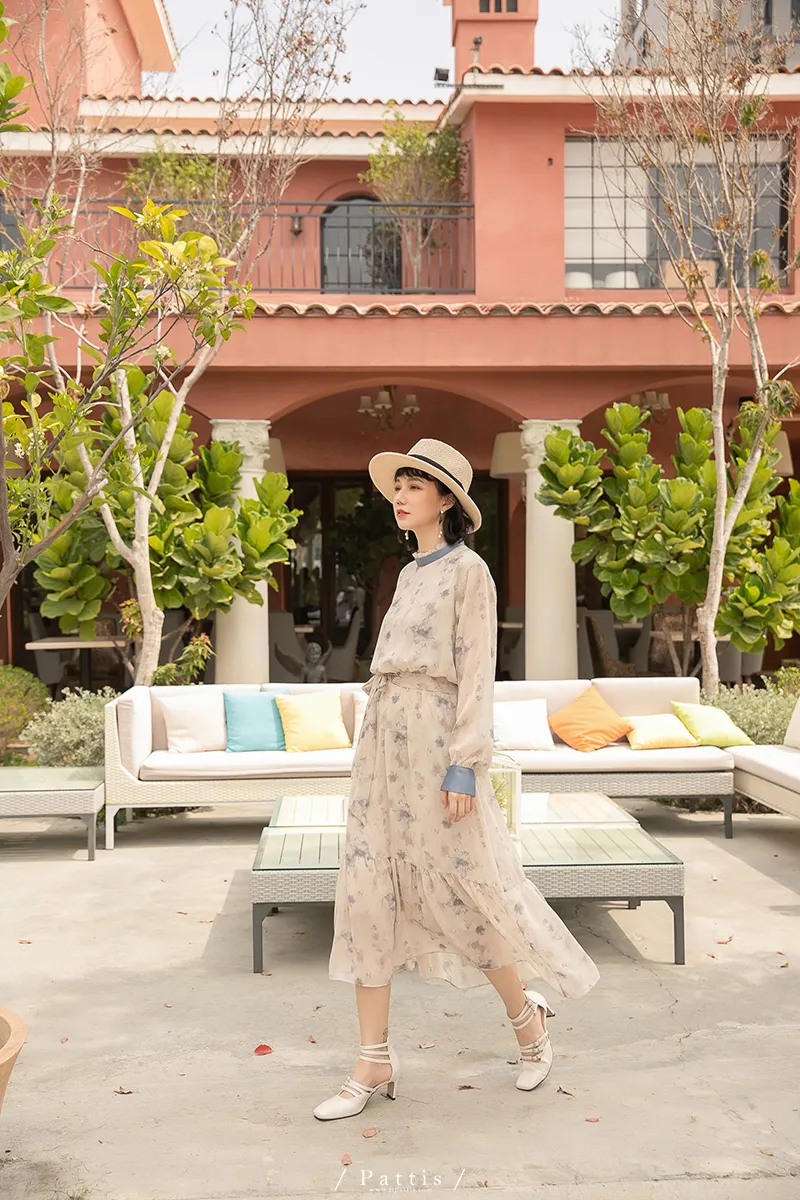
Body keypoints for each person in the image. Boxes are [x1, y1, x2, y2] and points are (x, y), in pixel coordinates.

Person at [313, 439, 600, 1122]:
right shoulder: (408, 573)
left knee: (466, 894)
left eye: (416, 485)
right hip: (383, 745)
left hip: (437, 744)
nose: (401, 495)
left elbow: (476, 670)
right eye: (399, 485)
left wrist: (466, 763)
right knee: (368, 892)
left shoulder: (469, 572)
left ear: (447, 500)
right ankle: (373, 1060)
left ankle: (528, 1024)